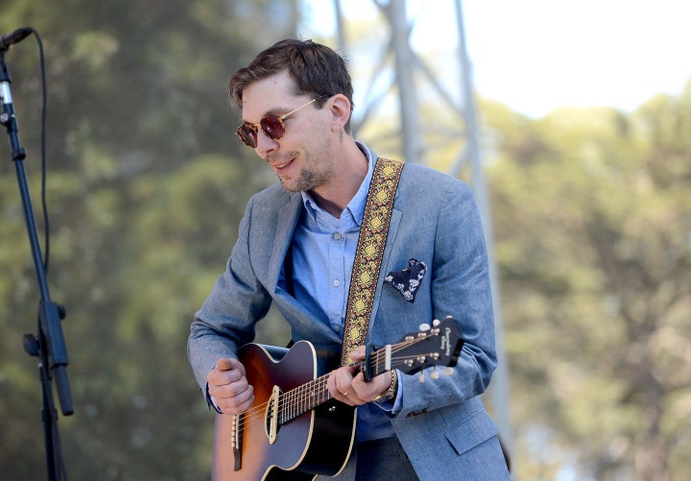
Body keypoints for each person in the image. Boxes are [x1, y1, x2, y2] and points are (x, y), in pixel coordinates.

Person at [188, 38, 510, 481]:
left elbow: (473, 355)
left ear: (337, 112)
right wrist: (216, 377)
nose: (262, 146)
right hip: (321, 463)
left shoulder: (440, 203)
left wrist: (395, 385)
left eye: (274, 124)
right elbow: (211, 328)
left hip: (434, 456)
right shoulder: (263, 215)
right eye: (249, 132)